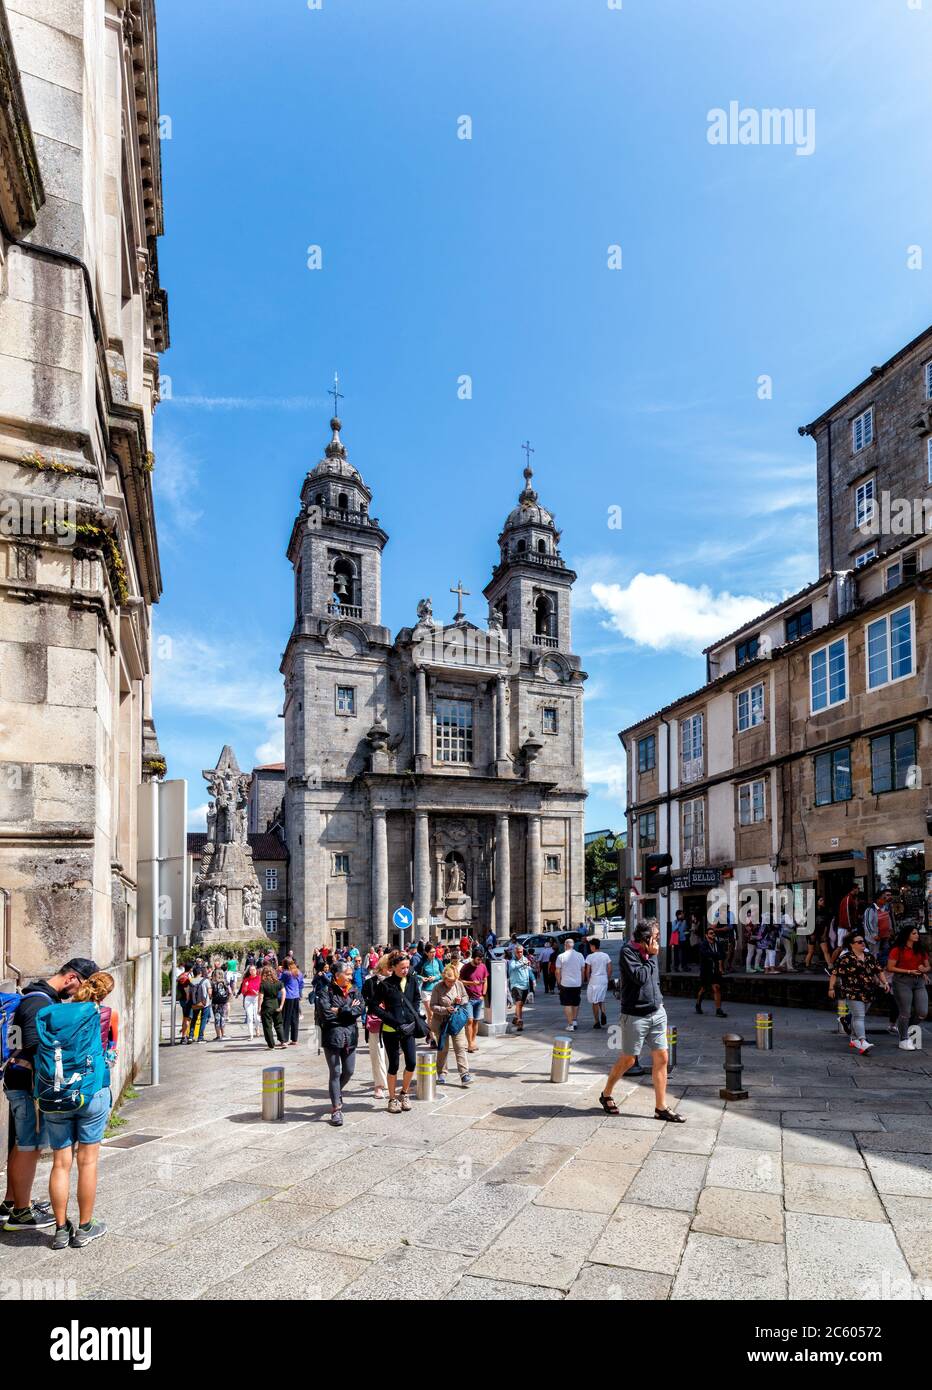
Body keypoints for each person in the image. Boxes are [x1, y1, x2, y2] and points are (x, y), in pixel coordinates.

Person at [1, 958, 97, 1234]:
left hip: (22, 1081)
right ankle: (21, 1213)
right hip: (27, 1083)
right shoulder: (39, 1003)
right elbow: (32, 1046)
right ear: (71, 978)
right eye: (80, 986)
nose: (77, 993)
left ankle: (13, 1202)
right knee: (28, 1146)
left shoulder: (37, 997)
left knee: (25, 1144)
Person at [46, 970, 116, 1249]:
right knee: (87, 1161)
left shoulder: (56, 1013)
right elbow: (111, 1050)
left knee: (60, 1163)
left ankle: (61, 1229)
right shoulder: (107, 1012)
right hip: (92, 1089)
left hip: (57, 1090)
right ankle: (85, 1227)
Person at [598, 920, 685, 1124]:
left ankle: (661, 1107)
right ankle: (606, 1093)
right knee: (628, 1060)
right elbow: (640, 977)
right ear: (646, 938)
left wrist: (659, 1001)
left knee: (662, 1058)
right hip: (635, 1015)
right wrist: (651, 956)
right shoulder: (627, 952)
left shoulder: (650, 952)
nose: (658, 939)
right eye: (655, 936)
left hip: (657, 1012)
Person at [315, 960, 364, 1125]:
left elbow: (360, 1009)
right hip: (332, 1037)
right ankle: (336, 1109)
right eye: (348, 974)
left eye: (351, 974)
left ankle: (336, 1092)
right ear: (337, 975)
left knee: (349, 1071)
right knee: (335, 1072)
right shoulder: (325, 991)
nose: (351, 977)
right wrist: (348, 1011)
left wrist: (341, 1010)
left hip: (350, 1036)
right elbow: (326, 1015)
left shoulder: (354, 990)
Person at [376, 950, 424, 1112]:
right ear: (394, 967)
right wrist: (390, 1018)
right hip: (391, 1030)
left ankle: (404, 1093)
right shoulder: (385, 985)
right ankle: (392, 1098)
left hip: (408, 1028)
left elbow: (417, 998)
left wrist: (413, 1014)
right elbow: (374, 1007)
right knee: (394, 1065)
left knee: (411, 1062)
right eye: (402, 967)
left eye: (407, 967)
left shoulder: (412, 980)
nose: (405, 970)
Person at [828, 931, 890, 1055]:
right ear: (852, 945)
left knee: (858, 1016)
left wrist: (885, 982)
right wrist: (831, 988)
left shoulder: (869, 956)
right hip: (852, 991)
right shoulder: (845, 958)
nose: (862, 943)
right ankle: (863, 1041)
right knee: (860, 1016)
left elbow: (879, 970)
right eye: (859, 942)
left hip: (868, 991)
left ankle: (854, 1038)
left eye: (863, 941)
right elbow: (834, 974)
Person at [886, 926, 929, 1051]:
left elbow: (928, 967)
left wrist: (924, 970)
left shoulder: (920, 949)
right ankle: (903, 1039)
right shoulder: (897, 950)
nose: (917, 935)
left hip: (919, 982)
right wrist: (909, 971)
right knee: (905, 1012)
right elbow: (890, 967)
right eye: (914, 933)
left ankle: (906, 1028)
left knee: (922, 1012)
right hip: (902, 982)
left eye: (917, 933)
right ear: (907, 935)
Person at [429, 967, 473, 1086]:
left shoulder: (458, 984)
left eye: (453, 981)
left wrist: (461, 1001)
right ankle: (441, 1073)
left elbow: (465, 997)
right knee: (443, 1049)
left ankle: (464, 1074)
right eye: (449, 981)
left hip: (456, 1021)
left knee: (460, 1047)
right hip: (441, 1023)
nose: (452, 983)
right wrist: (445, 1009)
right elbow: (432, 1005)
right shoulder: (437, 988)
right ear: (444, 979)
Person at [362, 953, 391, 1098]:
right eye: (390, 967)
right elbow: (364, 1000)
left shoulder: (395, 982)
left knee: (390, 1054)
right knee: (377, 1053)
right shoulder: (370, 982)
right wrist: (376, 1004)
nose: (392, 970)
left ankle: (388, 1082)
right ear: (383, 967)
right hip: (375, 1021)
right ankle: (379, 1085)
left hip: (392, 1022)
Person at [459, 948, 488, 1054]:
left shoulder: (483, 967)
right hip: (468, 998)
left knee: (476, 1021)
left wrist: (483, 994)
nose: (480, 961)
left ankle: (473, 1041)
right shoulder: (466, 967)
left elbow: (485, 981)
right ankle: (470, 1043)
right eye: (478, 959)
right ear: (473, 958)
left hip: (479, 998)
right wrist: (472, 983)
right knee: (469, 1021)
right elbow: (460, 981)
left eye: (481, 959)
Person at [696, 927, 727, 1017]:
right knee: (703, 989)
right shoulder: (703, 944)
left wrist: (720, 964)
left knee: (716, 988)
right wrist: (716, 955)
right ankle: (698, 1004)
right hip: (706, 970)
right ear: (706, 935)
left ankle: (718, 1010)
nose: (713, 934)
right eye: (710, 933)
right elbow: (705, 954)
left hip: (716, 970)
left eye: (713, 933)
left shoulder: (718, 944)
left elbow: (723, 955)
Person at [555, 936, 584, 1031]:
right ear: (573, 946)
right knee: (575, 1003)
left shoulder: (561, 956)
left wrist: (558, 982)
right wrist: (582, 980)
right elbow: (583, 969)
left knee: (567, 1004)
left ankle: (570, 1024)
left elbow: (558, 971)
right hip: (577, 983)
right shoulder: (580, 955)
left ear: (565, 945)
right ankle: (574, 1020)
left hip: (566, 983)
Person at [415, 943, 442, 1037]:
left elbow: (443, 974)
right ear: (426, 953)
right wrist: (421, 978)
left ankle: (434, 1033)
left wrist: (435, 977)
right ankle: (432, 1037)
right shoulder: (422, 962)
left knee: (436, 1014)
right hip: (426, 990)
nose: (433, 954)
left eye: (434, 952)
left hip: (437, 990)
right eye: (431, 952)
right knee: (430, 1014)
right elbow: (414, 973)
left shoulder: (438, 961)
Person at [584, 938, 613, 1028]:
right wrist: (607, 978)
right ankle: (603, 1012)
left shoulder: (590, 957)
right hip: (603, 979)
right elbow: (610, 968)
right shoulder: (605, 955)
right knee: (601, 999)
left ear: (593, 946)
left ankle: (597, 1021)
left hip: (594, 980)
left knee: (595, 1001)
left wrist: (588, 979)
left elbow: (587, 970)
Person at [863, 890, 895, 969]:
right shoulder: (870, 909)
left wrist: (890, 930)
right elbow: (867, 924)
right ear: (878, 899)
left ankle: (882, 969)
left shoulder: (885, 908)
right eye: (884, 897)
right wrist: (874, 935)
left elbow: (888, 920)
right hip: (875, 937)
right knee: (874, 954)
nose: (886, 899)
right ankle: (873, 970)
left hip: (885, 936)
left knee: (885, 952)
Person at [258, 964, 286, 1050]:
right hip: (276, 1005)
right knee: (279, 1024)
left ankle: (271, 1045)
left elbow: (261, 997)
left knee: (267, 1026)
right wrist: (281, 1005)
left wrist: (259, 1008)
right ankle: (283, 1042)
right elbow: (284, 993)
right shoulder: (278, 982)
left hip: (266, 1006)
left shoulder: (263, 984)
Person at [507, 944, 534, 1032]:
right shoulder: (512, 961)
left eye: (521, 952)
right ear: (515, 952)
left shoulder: (525, 959)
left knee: (521, 1004)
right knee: (518, 1003)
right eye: (518, 952)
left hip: (525, 984)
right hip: (516, 985)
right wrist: (522, 964)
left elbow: (529, 970)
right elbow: (512, 968)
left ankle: (515, 1017)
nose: (519, 954)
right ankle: (520, 1022)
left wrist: (533, 979)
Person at [804, 896, 832, 972]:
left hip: (821, 933)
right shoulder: (811, 911)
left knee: (826, 950)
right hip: (812, 933)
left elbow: (826, 924)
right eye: (821, 900)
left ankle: (830, 966)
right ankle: (807, 966)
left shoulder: (825, 911)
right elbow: (807, 923)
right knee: (811, 951)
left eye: (823, 900)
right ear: (816, 902)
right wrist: (811, 934)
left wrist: (824, 934)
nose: (823, 901)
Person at [280, 960, 304, 1046]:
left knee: (286, 1019)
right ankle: (294, 1039)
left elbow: (279, 982)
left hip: (288, 996)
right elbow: (301, 985)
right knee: (295, 1018)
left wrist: (280, 971)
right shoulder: (299, 973)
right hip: (296, 996)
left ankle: (285, 1039)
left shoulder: (286, 973)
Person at [238, 963, 261, 1039]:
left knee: (257, 1018)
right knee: (250, 1017)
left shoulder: (259, 978)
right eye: (251, 970)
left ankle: (257, 1028)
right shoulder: (246, 980)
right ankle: (251, 1034)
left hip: (257, 998)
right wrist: (246, 986)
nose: (252, 971)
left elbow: (262, 989)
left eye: (253, 970)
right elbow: (243, 992)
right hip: (248, 999)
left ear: (256, 970)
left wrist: (258, 993)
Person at [210, 967, 231, 1040]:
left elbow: (210, 993)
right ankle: (224, 1034)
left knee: (217, 1018)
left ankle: (218, 1036)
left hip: (215, 1003)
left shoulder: (212, 983)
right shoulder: (225, 982)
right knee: (223, 1018)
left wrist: (211, 997)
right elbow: (230, 992)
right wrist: (227, 999)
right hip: (224, 1002)